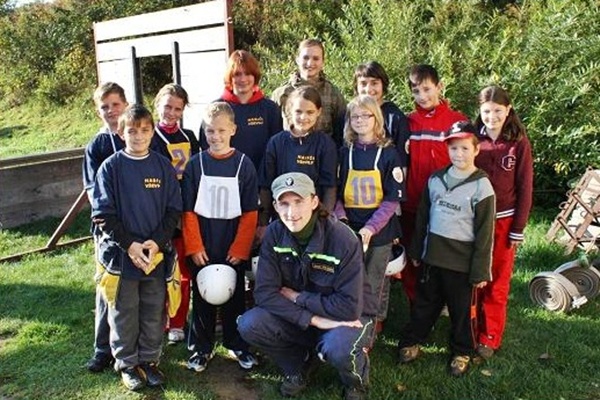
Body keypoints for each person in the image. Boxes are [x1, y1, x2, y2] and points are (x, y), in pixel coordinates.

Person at [238, 172, 377, 400]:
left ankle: (355, 383)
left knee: (339, 348)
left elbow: (349, 307)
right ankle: (298, 366)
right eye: (284, 203)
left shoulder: (343, 239)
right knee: (250, 324)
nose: (291, 212)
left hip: (349, 317)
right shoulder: (274, 234)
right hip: (308, 315)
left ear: (314, 202)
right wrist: (312, 319)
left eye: (298, 201)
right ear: (275, 206)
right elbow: (264, 293)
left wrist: (297, 297)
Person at [91, 104, 182, 390]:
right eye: (132, 131)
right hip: (123, 257)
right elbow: (102, 214)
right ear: (121, 133)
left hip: (155, 255)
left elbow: (173, 210)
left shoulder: (163, 166)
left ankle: (149, 361)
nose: (139, 136)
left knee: (153, 310)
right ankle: (127, 364)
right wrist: (130, 245)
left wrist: (157, 242)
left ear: (152, 132)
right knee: (124, 312)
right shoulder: (110, 168)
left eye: (144, 130)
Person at [397, 121, 495, 377]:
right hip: (432, 257)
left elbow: (485, 233)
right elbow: (422, 217)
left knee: (461, 311)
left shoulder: (481, 186)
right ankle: (413, 340)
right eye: (453, 148)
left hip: (461, 264)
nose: (458, 154)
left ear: (476, 149)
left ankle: (462, 350)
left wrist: (480, 269)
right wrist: (416, 250)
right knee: (424, 303)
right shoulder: (436, 179)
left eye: (464, 148)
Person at [181, 102, 259, 373]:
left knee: (233, 295)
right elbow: (188, 210)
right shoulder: (195, 164)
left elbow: (250, 212)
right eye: (210, 131)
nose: (215, 136)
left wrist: (241, 248)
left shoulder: (244, 165)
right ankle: (200, 348)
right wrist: (194, 245)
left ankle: (237, 344)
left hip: (231, 244)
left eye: (221, 130)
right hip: (203, 243)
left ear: (233, 130)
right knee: (202, 296)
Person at [335, 95, 404, 336]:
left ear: (377, 118)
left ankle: (371, 328)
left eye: (366, 115)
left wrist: (371, 228)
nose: (360, 120)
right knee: (349, 279)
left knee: (374, 282)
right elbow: (336, 193)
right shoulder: (344, 152)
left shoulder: (389, 154)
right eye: (355, 116)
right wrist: (342, 220)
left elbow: (392, 199)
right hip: (349, 228)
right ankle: (349, 323)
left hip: (379, 231)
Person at [474, 85, 533, 359]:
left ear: (508, 110)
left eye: (498, 111)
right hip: (475, 221)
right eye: (487, 111)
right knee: (474, 276)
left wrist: (518, 228)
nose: (492, 117)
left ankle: (489, 335)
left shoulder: (518, 142)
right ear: (480, 111)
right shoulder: (474, 140)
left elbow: (525, 187)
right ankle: (469, 328)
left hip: (504, 221)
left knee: (497, 280)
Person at [400, 64, 468, 304]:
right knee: (413, 252)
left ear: (440, 87)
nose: (422, 96)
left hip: (445, 205)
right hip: (412, 202)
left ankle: (441, 301)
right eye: (416, 91)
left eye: (427, 89)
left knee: (441, 254)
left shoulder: (456, 121)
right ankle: (414, 302)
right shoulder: (407, 122)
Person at [82, 81, 128, 373]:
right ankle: (102, 350)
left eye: (115, 104)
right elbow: (93, 192)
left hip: (139, 228)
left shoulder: (137, 134)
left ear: (125, 104)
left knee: (136, 289)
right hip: (109, 230)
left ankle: (136, 345)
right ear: (98, 111)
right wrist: (112, 222)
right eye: (105, 107)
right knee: (107, 288)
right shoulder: (96, 146)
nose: (111, 111)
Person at [151, 83, 200, 345]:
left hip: (184, 215)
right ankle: (157, 320)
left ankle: (178, 322)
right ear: (158, 104)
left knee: (182, 273)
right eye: (167, 106)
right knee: (158, 271)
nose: (171, 113)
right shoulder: (149, 135)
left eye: (177, 109)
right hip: (157, 215)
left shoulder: (189, 136)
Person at [258, 85, 338, 232]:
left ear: (319, 112)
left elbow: (329, 187)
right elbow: (266, 185)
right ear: (289, 111)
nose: (303, 117)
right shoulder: (276, 142)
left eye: (310, 112)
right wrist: (263, 223)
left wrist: (325, 221)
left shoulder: (325, 144)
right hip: (282, 219)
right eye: (298, 111)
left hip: (314, 221)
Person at [199, 49, 282, 172]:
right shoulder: (216, 108)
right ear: (230, 77)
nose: (243, 79)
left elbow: (277, 148)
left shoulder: (269, 109)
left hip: (261, 178)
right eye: (237, 74)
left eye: (248, 73)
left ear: (255, 76)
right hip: (225, 176)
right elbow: (206, 146)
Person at [271, 38, 346, 146]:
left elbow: (341, 133)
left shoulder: (333, 94)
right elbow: (273, 133)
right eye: (305, 58)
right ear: (297, 59)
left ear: (323, 62)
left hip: (323, 153)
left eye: (316, 58)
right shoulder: (281, 93)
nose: (310, 63)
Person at [353, 61, 410, 171]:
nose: (368, 89)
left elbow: (402, 163)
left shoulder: (395, 118)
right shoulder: (351, 116)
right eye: (363, 83)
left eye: (374, 83)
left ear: (383, 85)